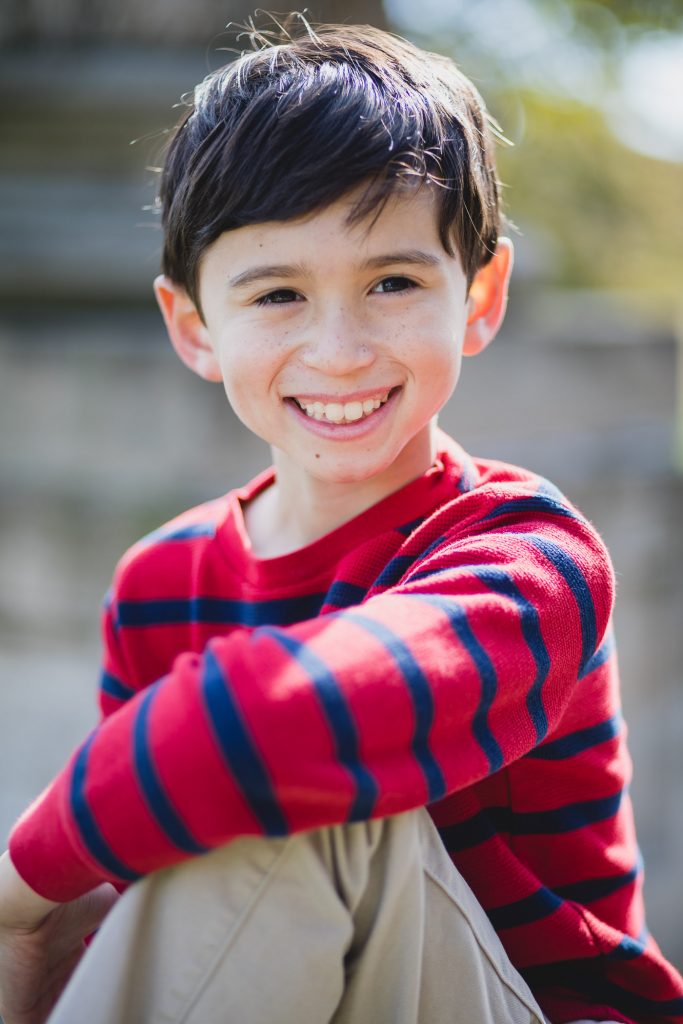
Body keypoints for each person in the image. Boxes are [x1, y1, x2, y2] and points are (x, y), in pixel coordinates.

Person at [1, 17, 682, 1024]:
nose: (341, 350)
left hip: (522, 1004)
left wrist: (17, 883)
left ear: (478, 297)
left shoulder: (525, 554)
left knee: (288, 800)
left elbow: (267, 726)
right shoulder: (162, 580)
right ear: (194, 327)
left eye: (393, 282)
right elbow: (151, 926)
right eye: (276, 293)